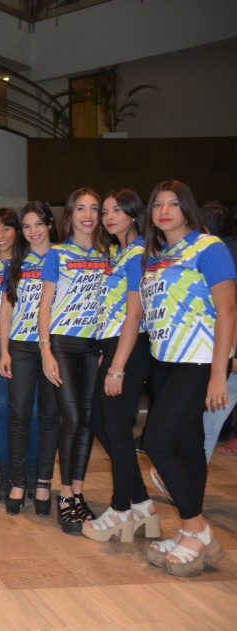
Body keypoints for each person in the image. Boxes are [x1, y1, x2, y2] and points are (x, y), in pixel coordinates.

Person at [142, 180, 235, 577]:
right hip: (164, 362)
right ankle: (190, 532)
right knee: (189, 446)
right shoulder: (159, 256)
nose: (164, 211)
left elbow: (227, 311)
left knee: (156, 442)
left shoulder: (208, 247)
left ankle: (197, 528)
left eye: (173, 203)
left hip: (197, 361)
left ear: (187, 209)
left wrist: (219, 373)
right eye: (157, 204)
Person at [83, 189, 159, 543]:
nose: (108, 217)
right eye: (105, 211)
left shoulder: (139, 253)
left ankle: (120, 509)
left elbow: (134, 314)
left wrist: (117, 367)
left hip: (130, 347)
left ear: (133, 214)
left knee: (115, 428)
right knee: (103, 423)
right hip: (113, 345)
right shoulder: (120, 253)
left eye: (117, 210)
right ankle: (142, 503)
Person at [37, 188, 104, 532]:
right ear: (70, 214)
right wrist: (45, 349)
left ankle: (78, 493)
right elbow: (45, 305)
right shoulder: (57, 254)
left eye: (94, 208)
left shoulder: (108, 254)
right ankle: (64, 495)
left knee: (88, 420)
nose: (88, 215)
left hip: (94, 346)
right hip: (62, 344)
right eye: (81, 208)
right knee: (73, 418)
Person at [0, 209, 40, 502]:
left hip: (27, 343)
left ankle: (32, 471)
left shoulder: (31, 261)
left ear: (18, 231)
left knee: (31, 409)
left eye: (6, 229)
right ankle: (5, 468)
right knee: (0, 408)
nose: (0, 236)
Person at [0, 202, 60, 516]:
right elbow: (6, 309)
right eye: (26, 226)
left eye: (38, 224)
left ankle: (44, 482)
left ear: (49, 224)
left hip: (55, 347)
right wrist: (4, 351)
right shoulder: (16, 262)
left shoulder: (62, 257)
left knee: (50, 416)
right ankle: (19, 481)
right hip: (21, 346)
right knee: (19, 414)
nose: (33, 231)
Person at [199, 201, 237, 460]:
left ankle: (189, 472)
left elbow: (230, 309)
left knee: (210, 418)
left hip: (228, 353)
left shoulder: (217, 255)